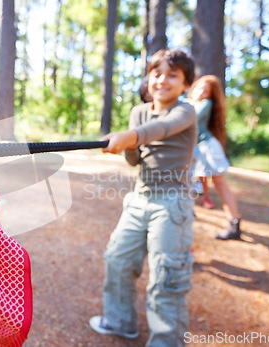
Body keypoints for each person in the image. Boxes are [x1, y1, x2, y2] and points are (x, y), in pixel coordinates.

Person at [89, 49, 196, 346]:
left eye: (172, 75)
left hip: (173, 202)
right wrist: (128, 143)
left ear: (186, 84)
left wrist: (131, 136)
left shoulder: (185, 111)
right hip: (140, 198)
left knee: (166, 274)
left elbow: (160, 129)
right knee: (118, 259)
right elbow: (135, 162)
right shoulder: (138, 112)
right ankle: (121, 321)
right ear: (148, 78)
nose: (162, 80)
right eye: (156, 73)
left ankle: (167, 341)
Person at [188, 75, 242, 240]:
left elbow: (191, 118)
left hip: (208, 149)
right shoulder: (189, 102)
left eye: (205, 91)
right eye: (199, 88)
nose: (201, 93)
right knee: (189, 182)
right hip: (197, 149)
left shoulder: (204, 104)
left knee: (220, 183)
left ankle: (234, 223)